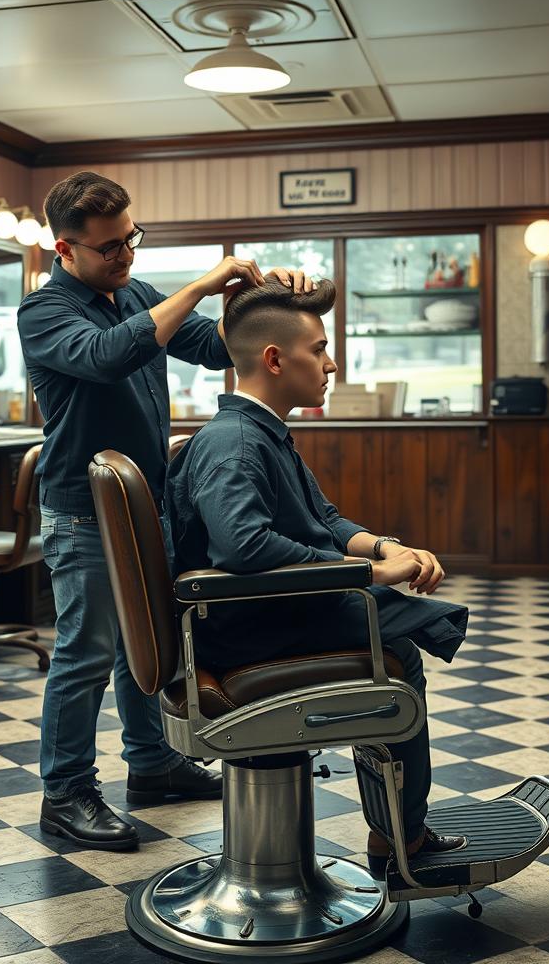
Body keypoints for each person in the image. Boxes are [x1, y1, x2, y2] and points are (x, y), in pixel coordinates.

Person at [17, 171, 311, 852]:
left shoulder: (135, 293)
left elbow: (213, 349)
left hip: (144, 506)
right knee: (86, 653)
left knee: (140, 647)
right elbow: (106, 356)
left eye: (131, 239)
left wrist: (261, 302)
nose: (125, 256)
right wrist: (201, 285)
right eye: (110, 248)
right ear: (66, 248)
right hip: (84, 511)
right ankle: (65, 793)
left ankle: (151, 765)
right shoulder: (46, 310)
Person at [167, 278, 469, 870]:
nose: (331, 365)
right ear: (275, 359)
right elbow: (247, 549)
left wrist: (386, 547)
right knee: (399, 652)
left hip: (267, 613)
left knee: (400, 631)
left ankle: (395, 830)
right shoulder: (234, 443)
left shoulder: (260, 432)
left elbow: (324, 519)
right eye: (320, 350)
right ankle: (400, 838)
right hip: (246, 628)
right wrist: (373, 575)